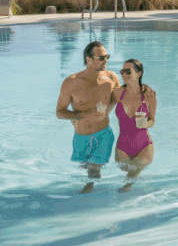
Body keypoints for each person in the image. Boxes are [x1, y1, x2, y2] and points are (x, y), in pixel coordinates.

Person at [56, 40, 120, 192]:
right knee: (83, 164)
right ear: (88, 59)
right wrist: (82, 115)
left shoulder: (111, 78)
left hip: (104, 134)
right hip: (80, 136)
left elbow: (117, 99)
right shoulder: (71, 83)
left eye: (107, 57)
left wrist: (105, 112)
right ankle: (91, 179)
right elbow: (60, 112)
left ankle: (90, 185)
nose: (105, 61)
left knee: (94, 168)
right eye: (101, 58)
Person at [112, 58, 157, 192]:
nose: (124, 75)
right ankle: (131, 182)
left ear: (139, 73)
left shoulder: (149, 95)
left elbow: (152, 120)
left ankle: (128, 185)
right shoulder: (117, 93)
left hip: (144, 144)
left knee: (135, 169)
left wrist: (145, 123)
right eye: (122, 71)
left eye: (128, 71)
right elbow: (103, 108)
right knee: (126, 168)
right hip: (123, 145)